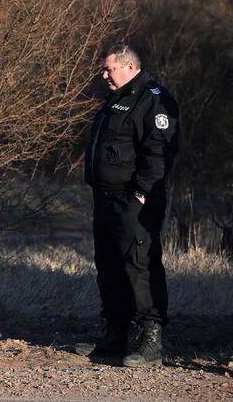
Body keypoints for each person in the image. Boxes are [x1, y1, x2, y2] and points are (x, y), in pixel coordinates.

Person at [83, 41, 179, 367]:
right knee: (109, 267)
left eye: (109, 69)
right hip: (106, 200)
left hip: (135, 201)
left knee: (140, 266)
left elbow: (158, 154)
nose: (104, 75)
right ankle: (115, 335)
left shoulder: (152, 100)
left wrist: (139, 194)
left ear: (129, 66)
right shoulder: (117, 99)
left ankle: (150, 340)